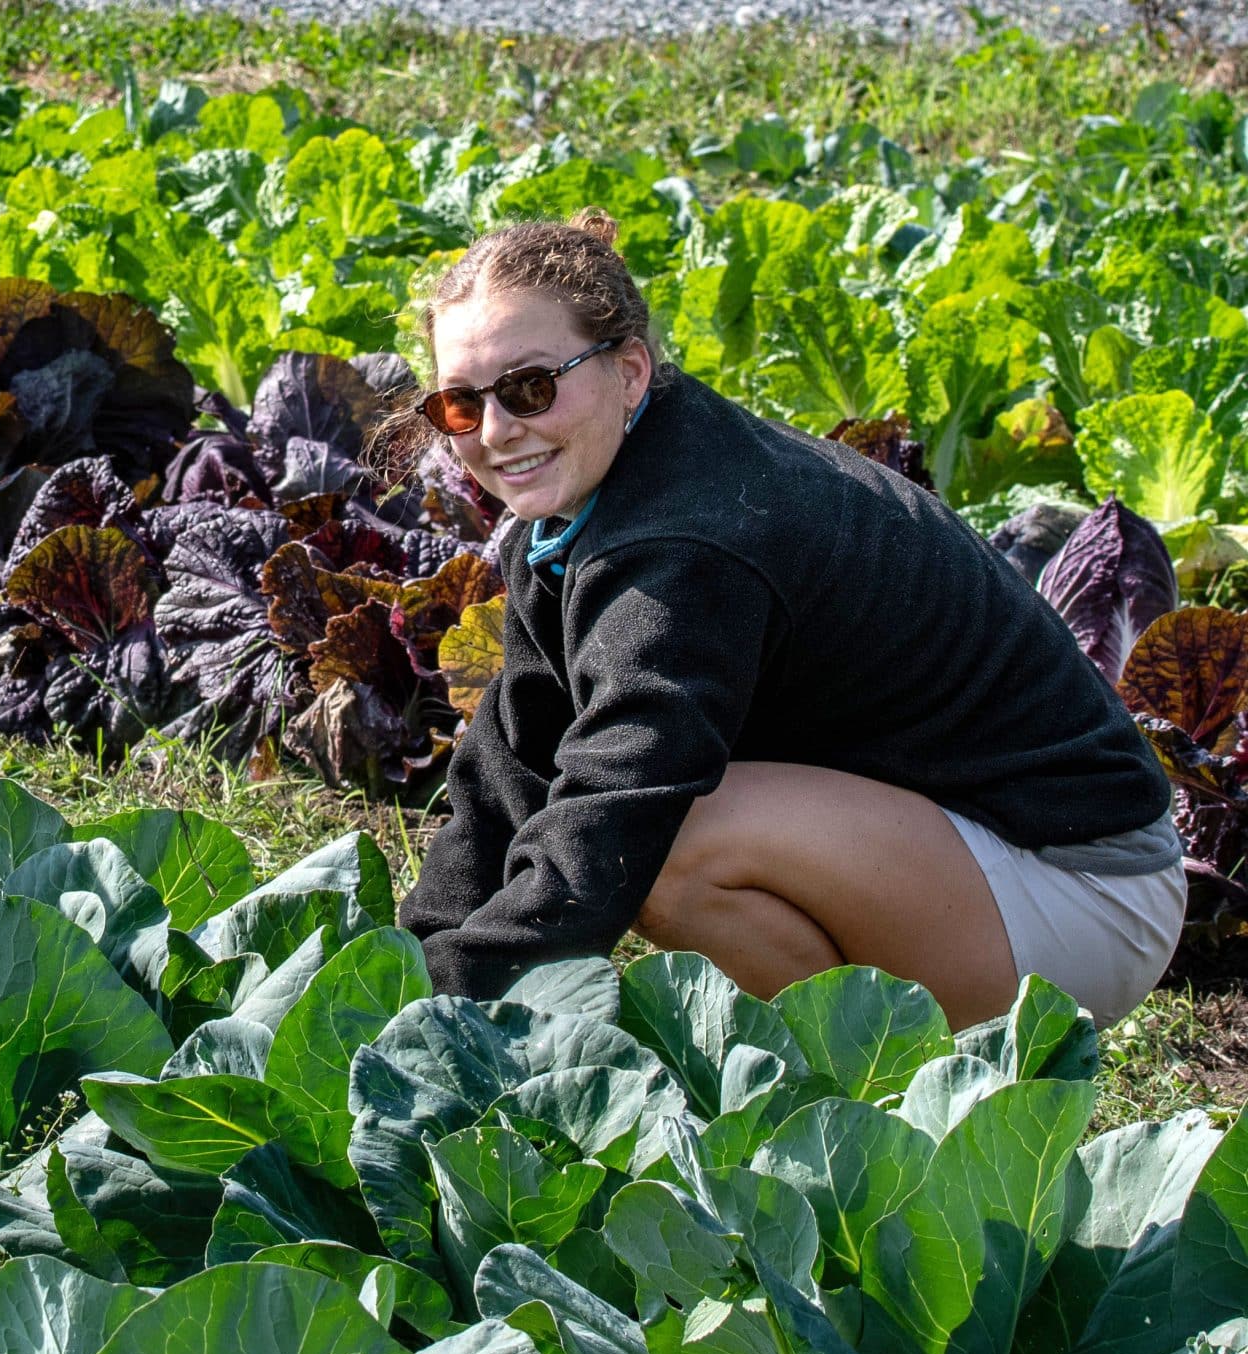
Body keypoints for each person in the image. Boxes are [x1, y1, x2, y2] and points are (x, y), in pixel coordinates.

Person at [393, 210, 1183, 1028]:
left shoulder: (688, 544)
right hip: (956, 849)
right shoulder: (589, 505)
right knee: (633, 827)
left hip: (1082, 892)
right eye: (459, 404)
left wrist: (456, 1014)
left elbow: (616, 812)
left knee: (664, 849)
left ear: (629, 372)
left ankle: (863, 1084)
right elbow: (510, 772)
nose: (495, 431)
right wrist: (413, 970)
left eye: (530, 388)